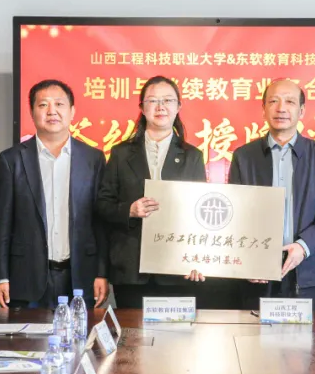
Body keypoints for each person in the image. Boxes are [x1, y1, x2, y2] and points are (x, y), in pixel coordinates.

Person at [95, 76, 237, 309]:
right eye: (153, 100)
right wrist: (129, 210)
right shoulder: (121, 153)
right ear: (142, 108)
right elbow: (103, 204)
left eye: (168, 100)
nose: (160, 107)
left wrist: (198, 258)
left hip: (176, 268)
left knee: (175, 331)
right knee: (132, 331)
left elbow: (200, 214)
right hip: (131, 268)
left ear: (178, 106)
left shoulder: (192, 156)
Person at [0, 80, 108, 310]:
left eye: (59, 104)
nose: (52, 111)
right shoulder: (11, 159)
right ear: (32, 112)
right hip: (26, 277)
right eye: (43, 105)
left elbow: (100, 221)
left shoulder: (93, 159)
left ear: (72, 111)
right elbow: (2, 223)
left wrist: (102, 272)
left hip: (80, 276)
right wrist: (1, 276)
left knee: (79, 334)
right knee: (27, 335)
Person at [228, 78, 315, 311]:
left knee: (309, 336)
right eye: (274, 101)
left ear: (302, 111)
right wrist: (247, 259)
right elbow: (234, 214)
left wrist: (302, 247)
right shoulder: (244, 156)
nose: (281, 108)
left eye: (290, 102)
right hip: (257, 273)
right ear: (263, 109)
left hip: (305, 272)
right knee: (253, 334)